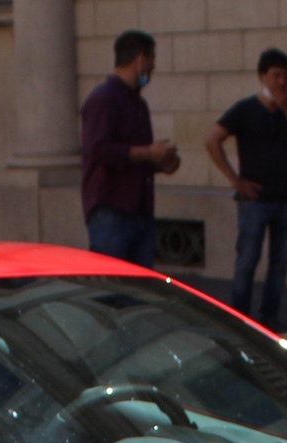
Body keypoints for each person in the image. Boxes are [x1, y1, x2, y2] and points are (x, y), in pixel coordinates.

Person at [206, 48, 287, 329]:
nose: (281, 82)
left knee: (279, 265)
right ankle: (239, 319)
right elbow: (213, 139)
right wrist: (235, 180)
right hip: (255, 199)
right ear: (262, 76)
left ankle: (269, 319)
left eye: (286, 76)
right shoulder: (245, 109)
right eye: (276, 75)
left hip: (286, 198)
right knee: (247, 261)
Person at [80, 30, 177, 266]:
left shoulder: (138, 103)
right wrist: (148, 152)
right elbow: (99, 149)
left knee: (138, 291)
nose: (153, 68)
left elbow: (133, 155)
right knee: (112, 287)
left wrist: (161, 162)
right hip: (112, 210)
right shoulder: (104, 99)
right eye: (152, 60)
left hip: (139, 210)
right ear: (141, 59)